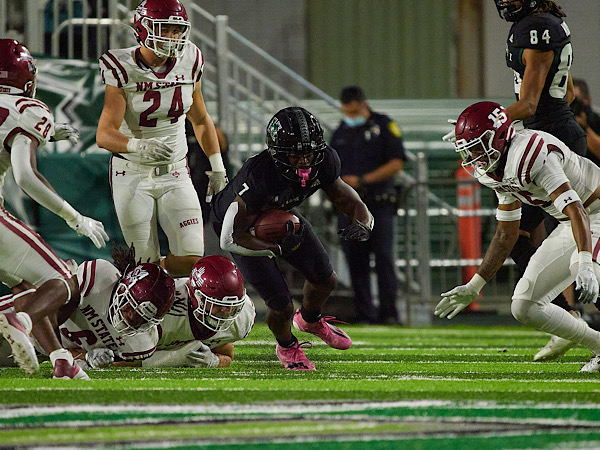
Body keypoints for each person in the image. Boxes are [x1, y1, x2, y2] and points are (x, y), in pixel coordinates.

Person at [434, 101, 600, 372]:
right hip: (570, 222)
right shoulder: (496, 169)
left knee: (584, 269)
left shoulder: (530, 153)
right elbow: (505, 234)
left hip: (594, 211)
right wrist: (475, 285)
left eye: (478, 146)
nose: (474, 156)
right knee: (524, 305)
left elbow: (576, 209)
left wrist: (584, 262)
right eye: (469, 149)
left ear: (499, 137)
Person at [210, 106, 373, 371]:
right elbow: (229, 238)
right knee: (281, 305)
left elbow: (345, 196)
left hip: (279, 214)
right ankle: (286, 346)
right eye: (296, 154)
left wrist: (363, 222)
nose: (305, 161)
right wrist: (275, 248)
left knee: (326, 279)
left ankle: (309, 319)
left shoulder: (325, 161)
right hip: (242, 229)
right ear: (277, 153)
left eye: (309, 153)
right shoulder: (259, 174)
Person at [0, 39, 109, 379]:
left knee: (26, 286)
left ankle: (62, 360)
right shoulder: (28, 109)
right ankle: (20, 319)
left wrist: (45, 134)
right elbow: (26, 176)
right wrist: (74, 218)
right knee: (63, 279)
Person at [96, 0, 227, 277]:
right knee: (143, 265)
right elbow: (104, 134)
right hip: (132, 173)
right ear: (142, 29)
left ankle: (157, 273)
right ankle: (146, 280)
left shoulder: (190, 59)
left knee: (192, 259)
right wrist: (138, 145)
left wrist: (218, 167)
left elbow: (200, 119)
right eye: (164, 29)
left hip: (175, 172)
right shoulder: (122, 66)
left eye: (176, 30)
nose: (171, 37)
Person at [491, 0, 589, 361]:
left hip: (549, 140)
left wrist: (486, 121)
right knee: (519, 235)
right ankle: (565, 316)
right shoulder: (543, 24)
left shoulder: (536, 29)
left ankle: (566, 316)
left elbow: (529, 103)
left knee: (567, 239)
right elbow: (569, 94)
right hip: (553, 133)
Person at [0, 247, 176, 372]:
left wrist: (86, 358)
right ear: (123, 288)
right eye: (131, 305)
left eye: (142, 318)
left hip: (39, 351)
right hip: (30, 315)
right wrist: (60, 354)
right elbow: (52, 314)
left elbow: (108, 363)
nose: (131, 317)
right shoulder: (102, 278)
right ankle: (22, 320)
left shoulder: (143, 343)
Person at [330, 86, 405, 324]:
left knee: (383, 259)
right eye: (346, 112)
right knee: (356, 261)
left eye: (353, 112)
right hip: (350, 209)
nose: (350, 117)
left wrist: (362, 180)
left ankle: (389, 314)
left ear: (364, 104)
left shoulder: (384, 125)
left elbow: (396, 163)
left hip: (379, 204)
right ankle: (365, 314)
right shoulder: (341, 132)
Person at [114, 255, 255, 368]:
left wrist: (215, 361)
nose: (227, 311)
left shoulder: (242, 317)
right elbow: (117, 360)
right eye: (217, 304)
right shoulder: (161, 309)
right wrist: (175, 357)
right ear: (197, 297)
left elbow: (226, 354)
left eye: (232, 305)